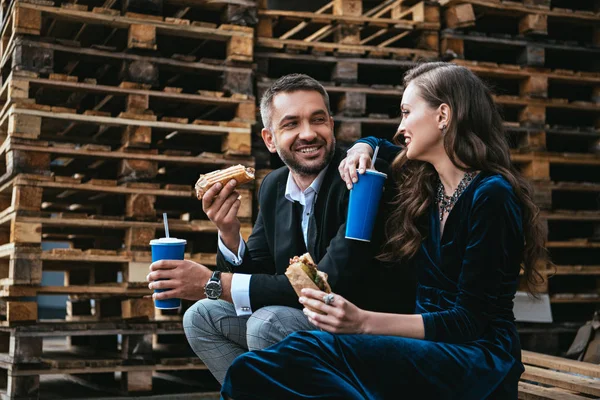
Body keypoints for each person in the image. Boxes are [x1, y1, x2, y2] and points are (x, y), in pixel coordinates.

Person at [219, 62, 549, 399]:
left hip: (477, 358)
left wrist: (363, 322)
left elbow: (468, 321)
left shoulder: (491, 195)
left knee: (283, 362)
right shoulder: (428, 181)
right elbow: (376, 142)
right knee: (284, 359)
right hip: (427, 346)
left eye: (407, 113)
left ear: (443, 116)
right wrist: (362, 147)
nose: (401, 126)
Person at [147, 73, 415, 385]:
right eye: (291, 124)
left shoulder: (360, 177)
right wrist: (229, 233)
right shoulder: (273, 186)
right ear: (270, 139)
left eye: (318, 120)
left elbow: (328, 284)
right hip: (310, 317)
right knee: (201, 316)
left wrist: (213, 282)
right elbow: (259, 271)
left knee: (267, 322)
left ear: (332, 124)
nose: (308, 133)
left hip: (363, 326)